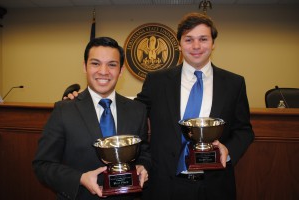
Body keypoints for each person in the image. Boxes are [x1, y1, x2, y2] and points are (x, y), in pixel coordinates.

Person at [135, 12, 254, 200]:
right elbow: (132, 115)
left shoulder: (234, 83)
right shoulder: (157, 81)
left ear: (213, 43)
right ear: (180, 45)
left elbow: (244, 130)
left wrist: (228, 150)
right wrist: (77, 98)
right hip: (164, 184)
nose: (196, 46)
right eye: (189, 39)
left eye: (203, 39)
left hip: (214, 185)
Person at [33, 37, 151, 200]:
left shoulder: (137, 110)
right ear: (85, 66)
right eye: (95, 63)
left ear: (121, 70)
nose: (103, 71)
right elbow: (43, 165)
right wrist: (80, 178)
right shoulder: (64, 110)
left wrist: (142, 166)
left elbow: (144, 153)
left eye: (112, 64)